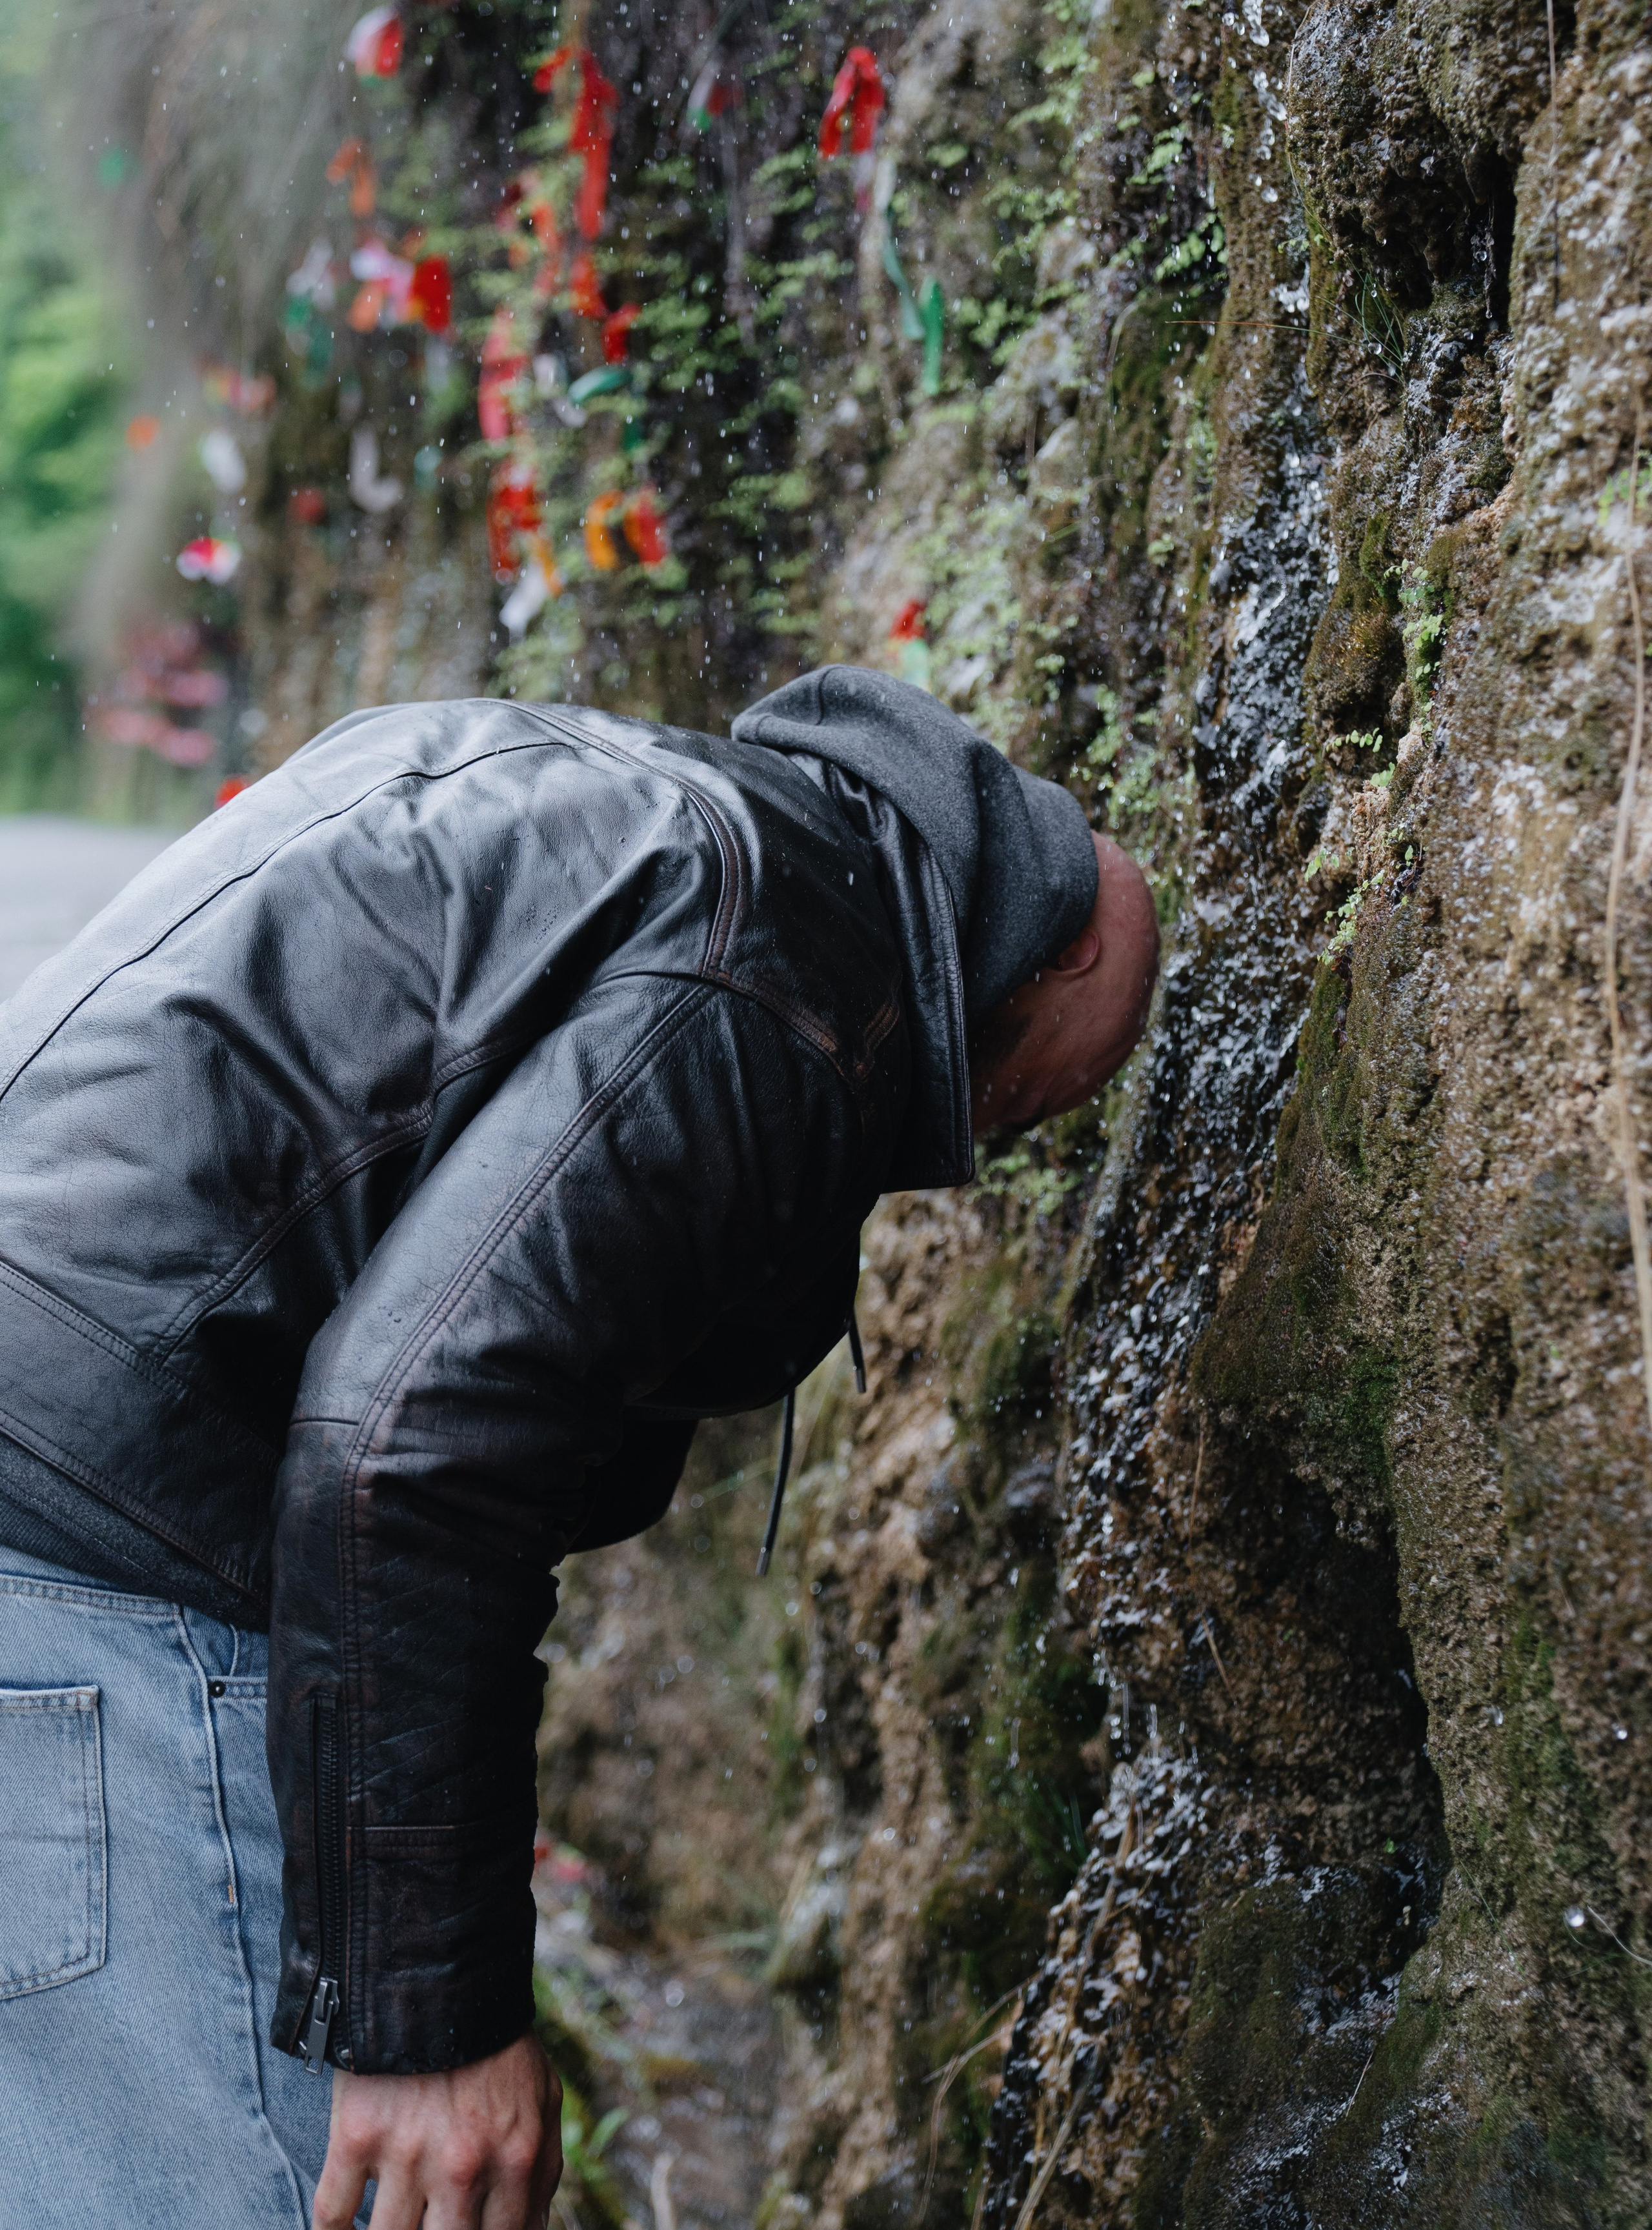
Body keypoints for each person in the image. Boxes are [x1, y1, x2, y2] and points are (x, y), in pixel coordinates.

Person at [0, 667, 1158, 2230]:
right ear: (1069, 943)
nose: (984, 1143)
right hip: (103, 1585)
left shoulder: (568, 782)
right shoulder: (789, 964)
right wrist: (428, 2023)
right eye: (1004, 1110)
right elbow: (416, 1446)